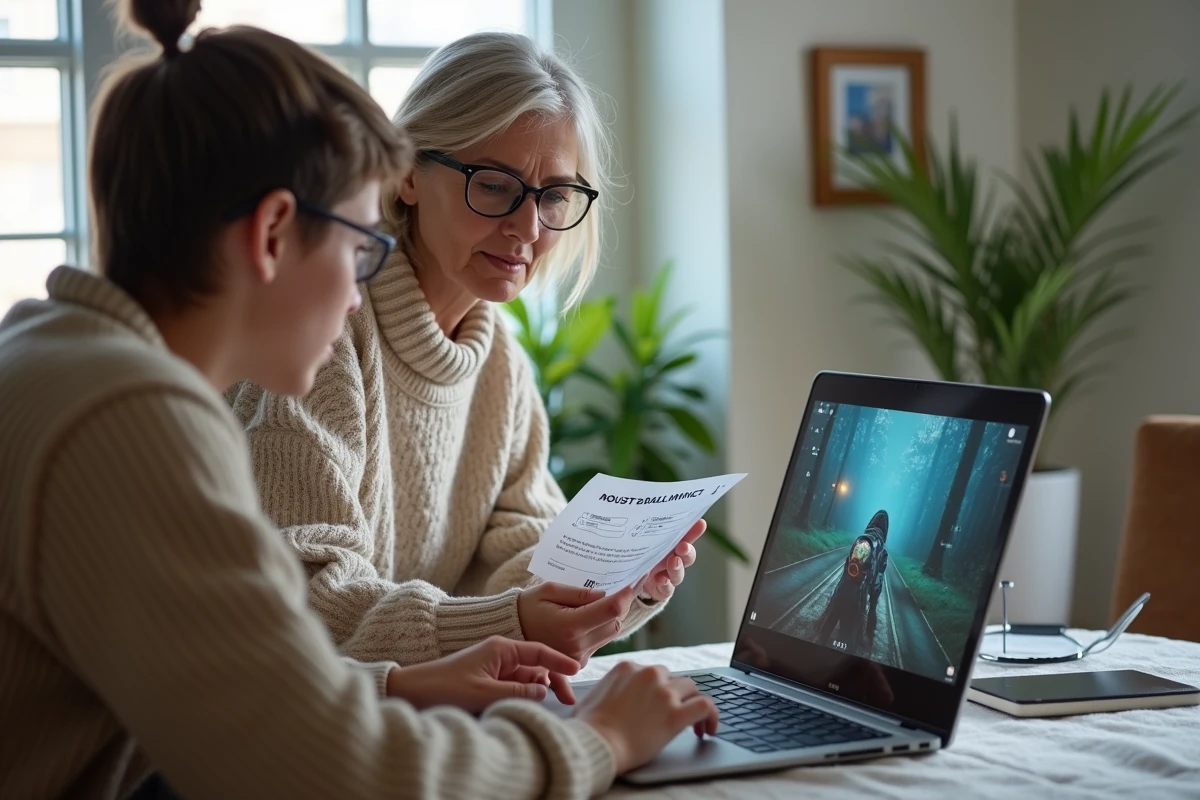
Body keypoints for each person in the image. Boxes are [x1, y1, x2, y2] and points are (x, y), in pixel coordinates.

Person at [0, 3, 717, 797]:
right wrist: (599, 740)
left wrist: (404, 683)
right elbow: (338, 768)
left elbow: (247, 697)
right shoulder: (129, 421)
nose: (359, 287)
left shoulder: (56, 358)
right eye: (358, 243)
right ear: (274, 233)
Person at [228, 31, 705, 669]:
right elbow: (305, 603)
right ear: (407, 176)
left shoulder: (500, 359)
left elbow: (519, 549)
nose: (528, 229)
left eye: (554, 195)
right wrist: (512, 620)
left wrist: (612, 580)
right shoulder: (326, 335)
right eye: (494, 184)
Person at [816, 510, 890, 655]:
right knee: (846, 648)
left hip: (841, 593)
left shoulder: (861, 540)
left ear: (871, 523)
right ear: (885, 531)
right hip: (858, 603)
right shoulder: (882, 552)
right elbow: (877, 586)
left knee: (822, 637)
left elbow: (847, 571)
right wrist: (872, 611)